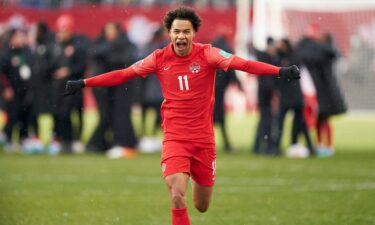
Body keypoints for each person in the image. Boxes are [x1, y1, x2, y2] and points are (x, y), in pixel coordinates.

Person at [64, 7, 300, 225]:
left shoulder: (209, 54)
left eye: (186, 32)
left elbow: (244, 65)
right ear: (169, 33)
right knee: (176, 194)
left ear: (194, 33)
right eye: (176, 31)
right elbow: (123, 74)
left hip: (204, 142)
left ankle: (198, 178)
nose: (181, 36)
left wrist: (279, 71)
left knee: (201, 206)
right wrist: (85, 82)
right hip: (175, 139)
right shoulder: (158, 58)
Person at [86, 22, 138, 157]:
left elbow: (124, 61)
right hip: (107, 86)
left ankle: (120, 144)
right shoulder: (103, 45)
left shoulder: (124, 44)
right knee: (111, 115)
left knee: (119, 115)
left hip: (122, 84)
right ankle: (115, 143)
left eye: (112, 30)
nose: (109, 33)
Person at [50, 14, 89, 153]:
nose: (62, 33)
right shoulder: (55, 45)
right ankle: (63, 140)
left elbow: (82, 65)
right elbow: (49, 66)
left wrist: (69, 71)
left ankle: (77, 139)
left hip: (75, 86)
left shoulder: (79, 44)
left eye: (65, 29)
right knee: (61, 114)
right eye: (60, 30)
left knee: (77, 113)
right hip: (60, 88)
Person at [274, 38, 315, 157]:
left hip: (293, 96)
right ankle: (277, 147)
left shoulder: (291, 58)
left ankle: (307, 146)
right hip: (289, 96)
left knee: (299, 123)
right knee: (283, 123)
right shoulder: (282, 57)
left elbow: (288, 75)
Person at [253, 37, 279, 155]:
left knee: (264, 121)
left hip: (263, 94)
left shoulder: (263, 57)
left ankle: (259, 146)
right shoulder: (269, 58)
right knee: (266, 122)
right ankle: (264, 147)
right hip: (266, 96)